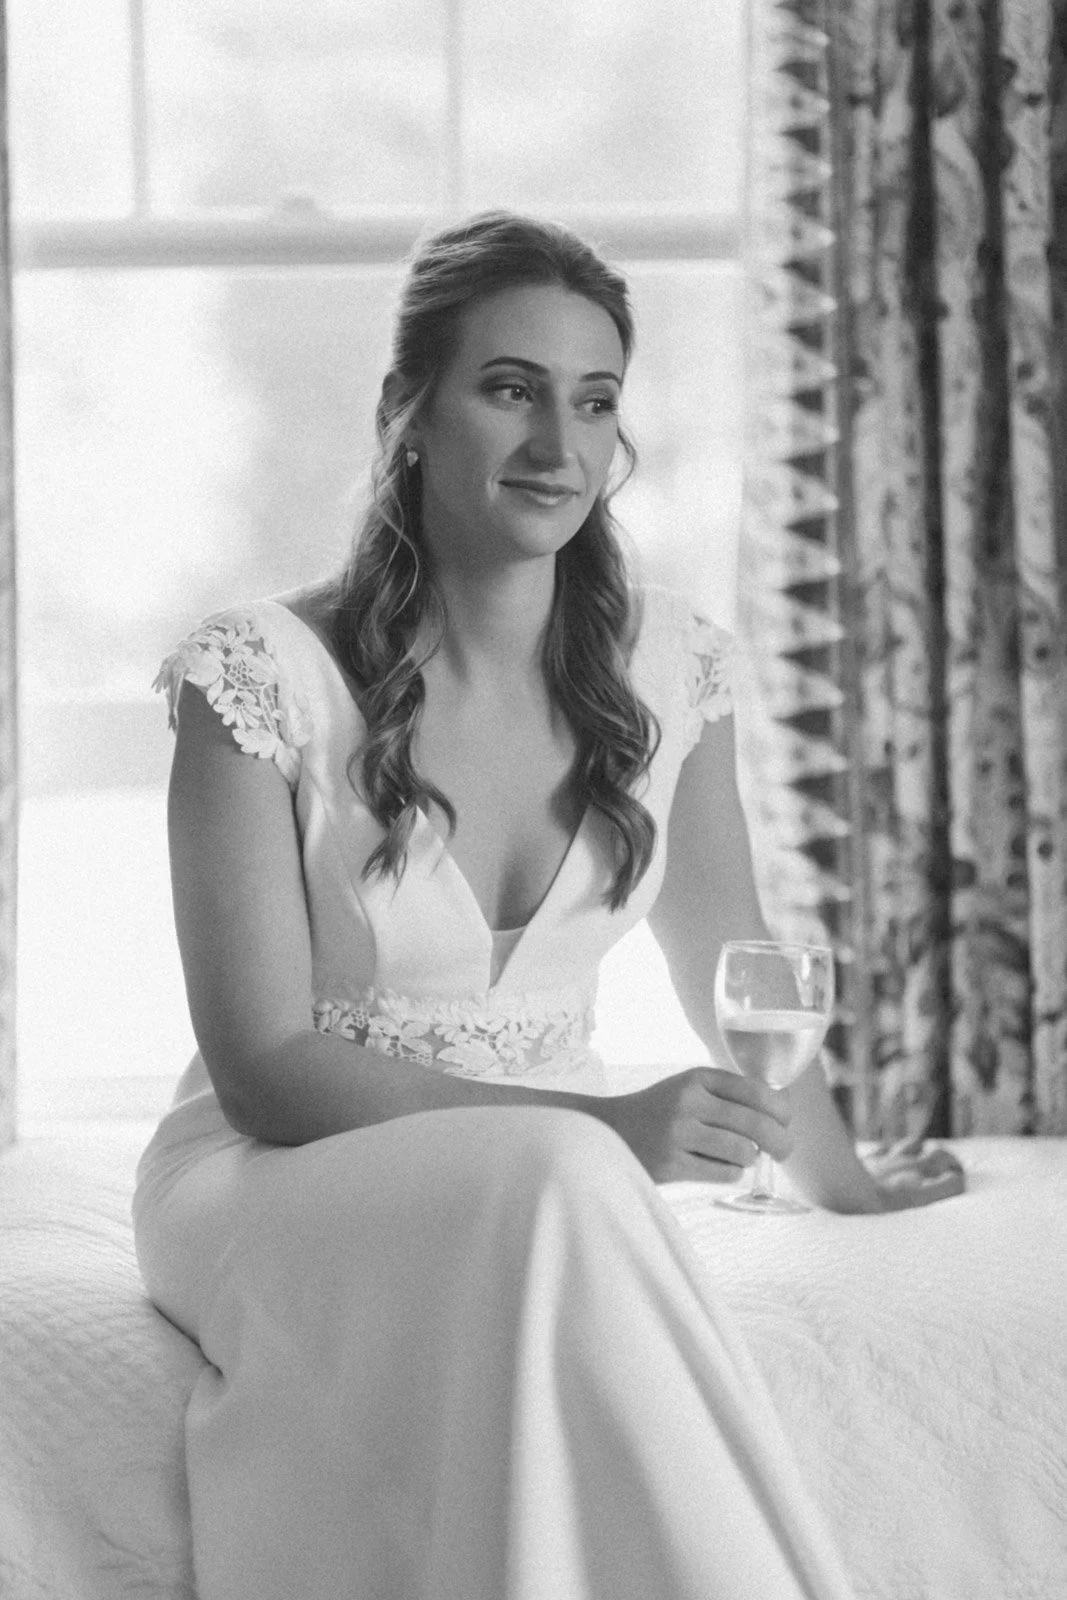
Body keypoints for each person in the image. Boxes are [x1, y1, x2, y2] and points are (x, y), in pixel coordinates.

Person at [133, 210, 963, 1600]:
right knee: (565, 1179)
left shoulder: (671, 667)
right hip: (274, 1175)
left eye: (593, 401)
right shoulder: (254, 679)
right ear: (404, 410)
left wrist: (839, 1179)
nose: (558, 446)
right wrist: (602, 1126)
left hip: (542, 1190)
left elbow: (735, 964)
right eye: (508, 388)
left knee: (559, 1191)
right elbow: (268, 1072)